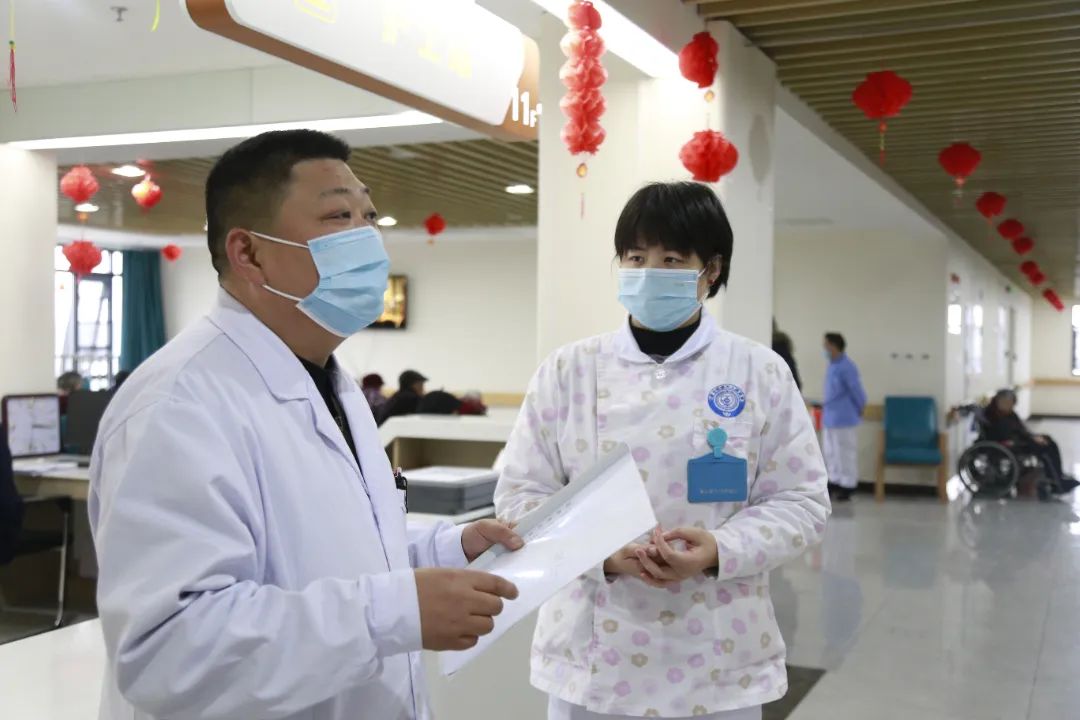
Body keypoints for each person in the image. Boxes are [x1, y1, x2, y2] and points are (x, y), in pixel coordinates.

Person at [87, 129, 523, 720]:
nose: (367, 237)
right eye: (339, 216)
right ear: (248, 253)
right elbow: (170, 650)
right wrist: (391, 613)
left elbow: (335, 555)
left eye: (369, 216)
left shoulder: (330, 383)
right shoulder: (179, 406)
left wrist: (448, 550)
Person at [494, 182, 830, 720]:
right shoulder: (568, 370)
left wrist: (719, 547)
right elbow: (520, 494)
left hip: (718, 650)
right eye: (635, 257)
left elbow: (801, 501)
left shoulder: (758, 372)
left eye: (671, 259)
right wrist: (600, 554)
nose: (649, 271)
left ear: (711, 270)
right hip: (592, 653)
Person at [982, 389, 1078, 494]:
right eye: (1009, 403)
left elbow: (1020, 429)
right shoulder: (994, 415)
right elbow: (1006, 434)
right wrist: (1031, 438)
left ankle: (1058, 475)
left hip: (1017, 440)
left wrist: (1033, 436)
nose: (1011, 406)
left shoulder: (1007, 413)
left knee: (1048, 440)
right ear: (1000, 401)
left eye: (1012, 403)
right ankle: (1057, 483)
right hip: (1007, 444)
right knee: (1045, 447)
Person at [821, 332, 866, 502]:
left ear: (834, 346)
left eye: (826, 345)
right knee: (831, 452)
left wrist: (861, 406)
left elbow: (857, 391)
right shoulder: (832, 366)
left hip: (844, 417)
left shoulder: (847, 366)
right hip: (830, 417)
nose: (824, 349)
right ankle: (834, 481)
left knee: (845, 453)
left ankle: (848, 485)